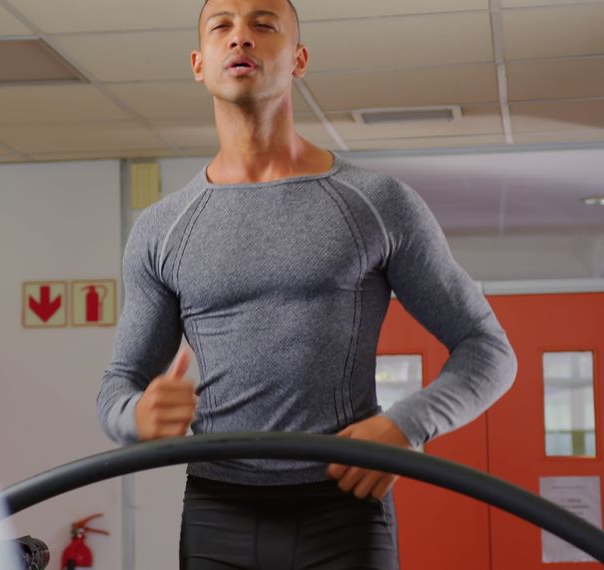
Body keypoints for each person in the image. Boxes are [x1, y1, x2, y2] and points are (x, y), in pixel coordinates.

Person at [96, 0, 518, 567]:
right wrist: (137, 417)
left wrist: (407, 426)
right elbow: (118, 387)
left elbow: (489, 350)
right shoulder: (161, 230)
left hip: (342, 506)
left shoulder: (378, 204)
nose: (240, 37)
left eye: (263, 25)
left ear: (298, 58)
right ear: (199, 63)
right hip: (218, 510)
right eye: (222, 26)